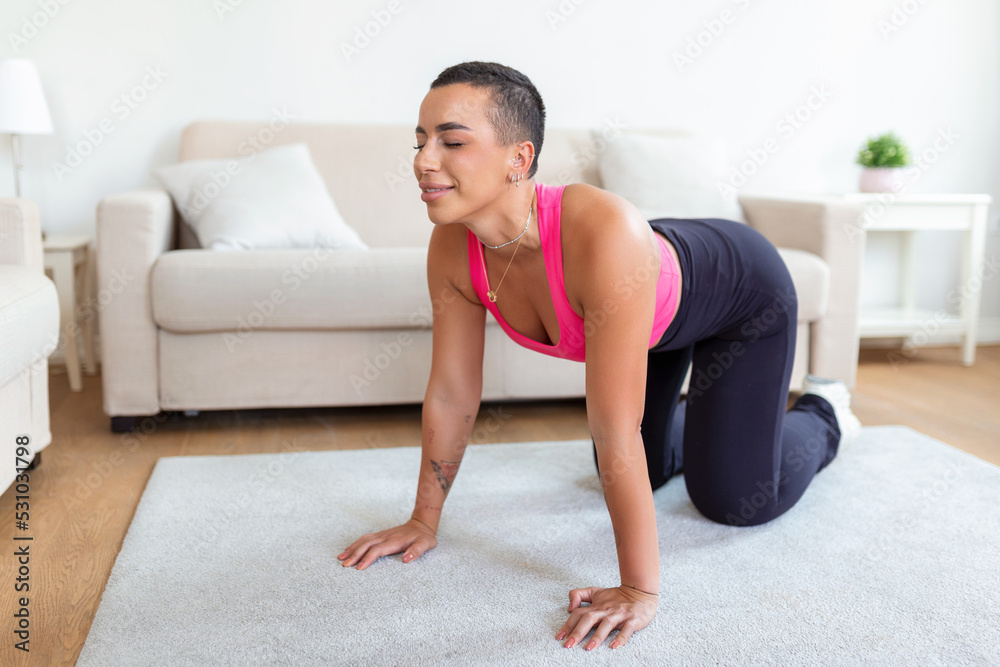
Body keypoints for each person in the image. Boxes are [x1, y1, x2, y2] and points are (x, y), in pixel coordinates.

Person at [337, 61, 862, 651]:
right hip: (651, 304)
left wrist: (640, 589)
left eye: (451, 141)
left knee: (734, 500)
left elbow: (616, 430)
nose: (423, 160)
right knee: (649, 467)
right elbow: (453, 393)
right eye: (420, 140)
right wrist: (422, 521)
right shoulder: (454, 247)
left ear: (518, 157)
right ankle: (716, 423)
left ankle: (824, 410)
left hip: (741, 292)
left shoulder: (601, 234)